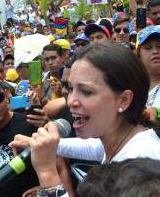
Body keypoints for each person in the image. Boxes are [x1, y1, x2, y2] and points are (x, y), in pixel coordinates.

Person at [10, 43, 160, 193]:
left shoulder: (143, 162)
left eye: (86, 91)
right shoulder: (116, 139)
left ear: (124, 100)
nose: (70, 102)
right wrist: (37, 143)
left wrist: (47, 173)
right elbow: (92, 147)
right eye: (70, 88)